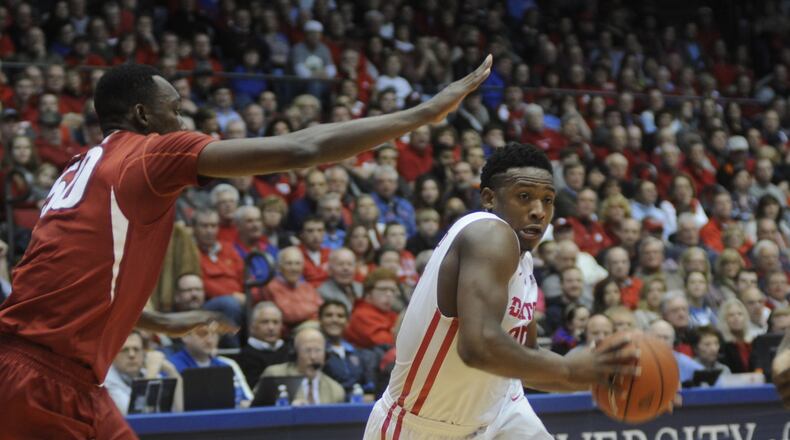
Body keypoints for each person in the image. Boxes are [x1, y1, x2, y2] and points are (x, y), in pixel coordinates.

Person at [0, 56, 493, 438]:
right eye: (175, 110)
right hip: (42, 381)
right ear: (142, 114)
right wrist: (426, 112)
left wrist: (153, 320)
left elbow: (60, 275)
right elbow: (303, 148)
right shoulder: (151, 152)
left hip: (57, 375)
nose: (183, 120)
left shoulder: (81, 168)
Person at [366, 143, 638, 439]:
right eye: (524, 197)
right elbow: (478, 347)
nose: (538, 211)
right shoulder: (489, 233)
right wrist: (572, 370)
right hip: (424, 427)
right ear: (489, 198)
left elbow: (526, 358)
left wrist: (603, 376)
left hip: (501, 410)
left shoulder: (525, 263)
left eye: (548, 200)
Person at [168, 324, 253, 407]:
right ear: (184, 336)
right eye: (202, 334)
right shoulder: (170, 367)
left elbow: (248, 401)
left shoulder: (228, 365)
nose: (209, 340)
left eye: (214, 334)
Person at [257, 327, 346, 405]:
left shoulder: (336, 390)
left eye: (318, 350)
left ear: (326, 355)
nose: (313, 357)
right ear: (295, 353)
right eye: (307, 350)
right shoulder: (274, 377)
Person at [104, 331, 182, 415]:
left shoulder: (146, 373)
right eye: (124, 350)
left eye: (136, 349)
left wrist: (171, 370)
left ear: (144, 353)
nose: (132, 354)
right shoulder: (105, 381)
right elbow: (136, 416)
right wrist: (151, 374)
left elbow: (180, 411)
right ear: (112, 354)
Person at [237, 302, 291, 387]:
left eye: (275, 322)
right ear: (252, 326)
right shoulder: (245, 356)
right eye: (265, 322)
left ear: (281, 326)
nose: (271, 327)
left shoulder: (290, 351)